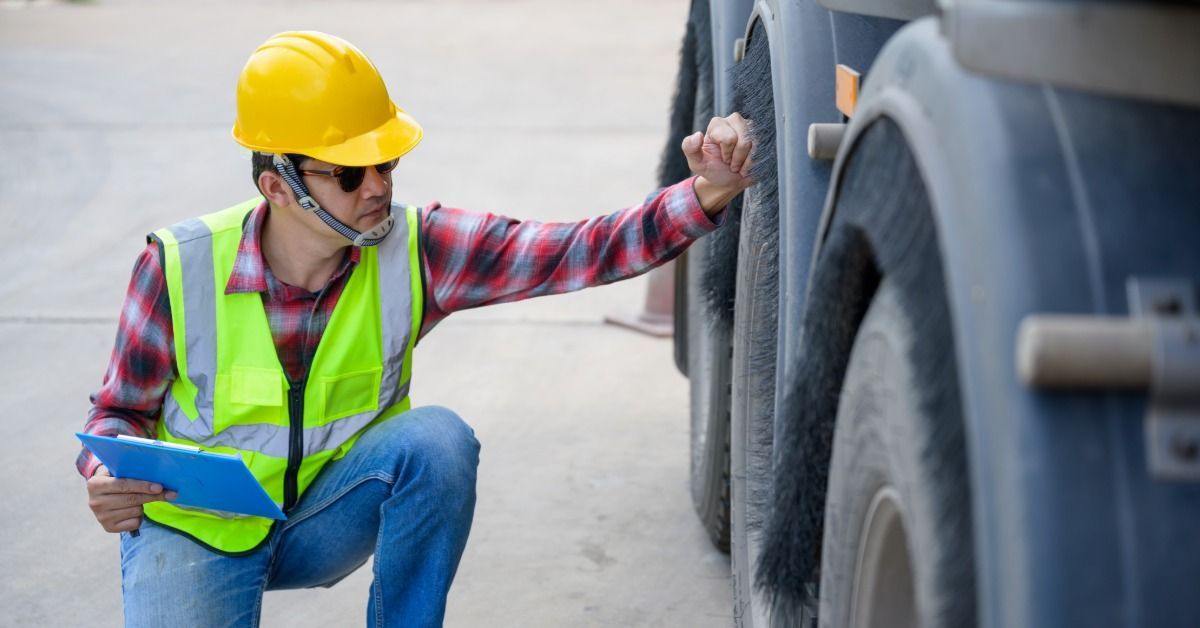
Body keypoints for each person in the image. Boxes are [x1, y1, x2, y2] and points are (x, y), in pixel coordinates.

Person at [76, 30, 753, 627]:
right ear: (277, 186)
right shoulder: (178, 266)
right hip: (197, 531)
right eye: (347, 172)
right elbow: (116, 413)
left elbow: (576, 249)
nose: (376, 186)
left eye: (385, 162)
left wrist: (704, 193)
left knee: (437, 442)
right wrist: (104, 474)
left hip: (323, 516)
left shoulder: (416, 249)